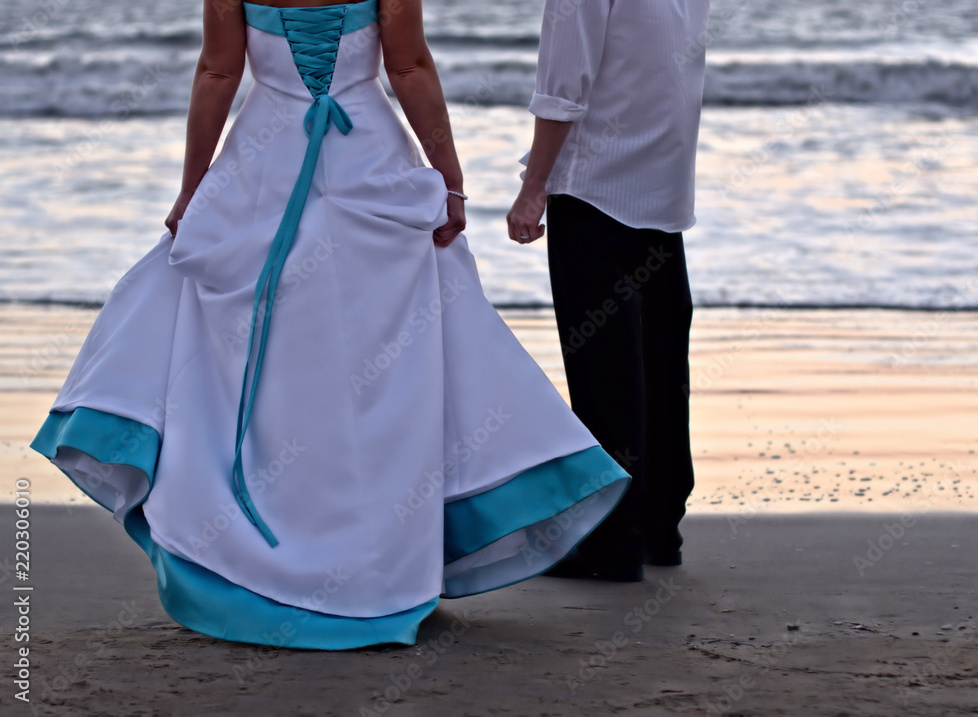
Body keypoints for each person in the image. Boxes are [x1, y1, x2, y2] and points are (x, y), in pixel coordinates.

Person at [30, 0, 630, 650]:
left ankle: (249, 561)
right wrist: (447, 178)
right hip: (367, 155)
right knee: (389, 376)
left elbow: (216, 72)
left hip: (264, 159)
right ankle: (381, 567)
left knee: (262, 375)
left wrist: (193, 187)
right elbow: (410, 65)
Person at [507, 0, 710, 581]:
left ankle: (613, 539)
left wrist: (534, 186)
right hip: (663, 187)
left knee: (605, 370)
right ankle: (659, 525)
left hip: (595, 185)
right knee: (660, 361)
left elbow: (563, 89)